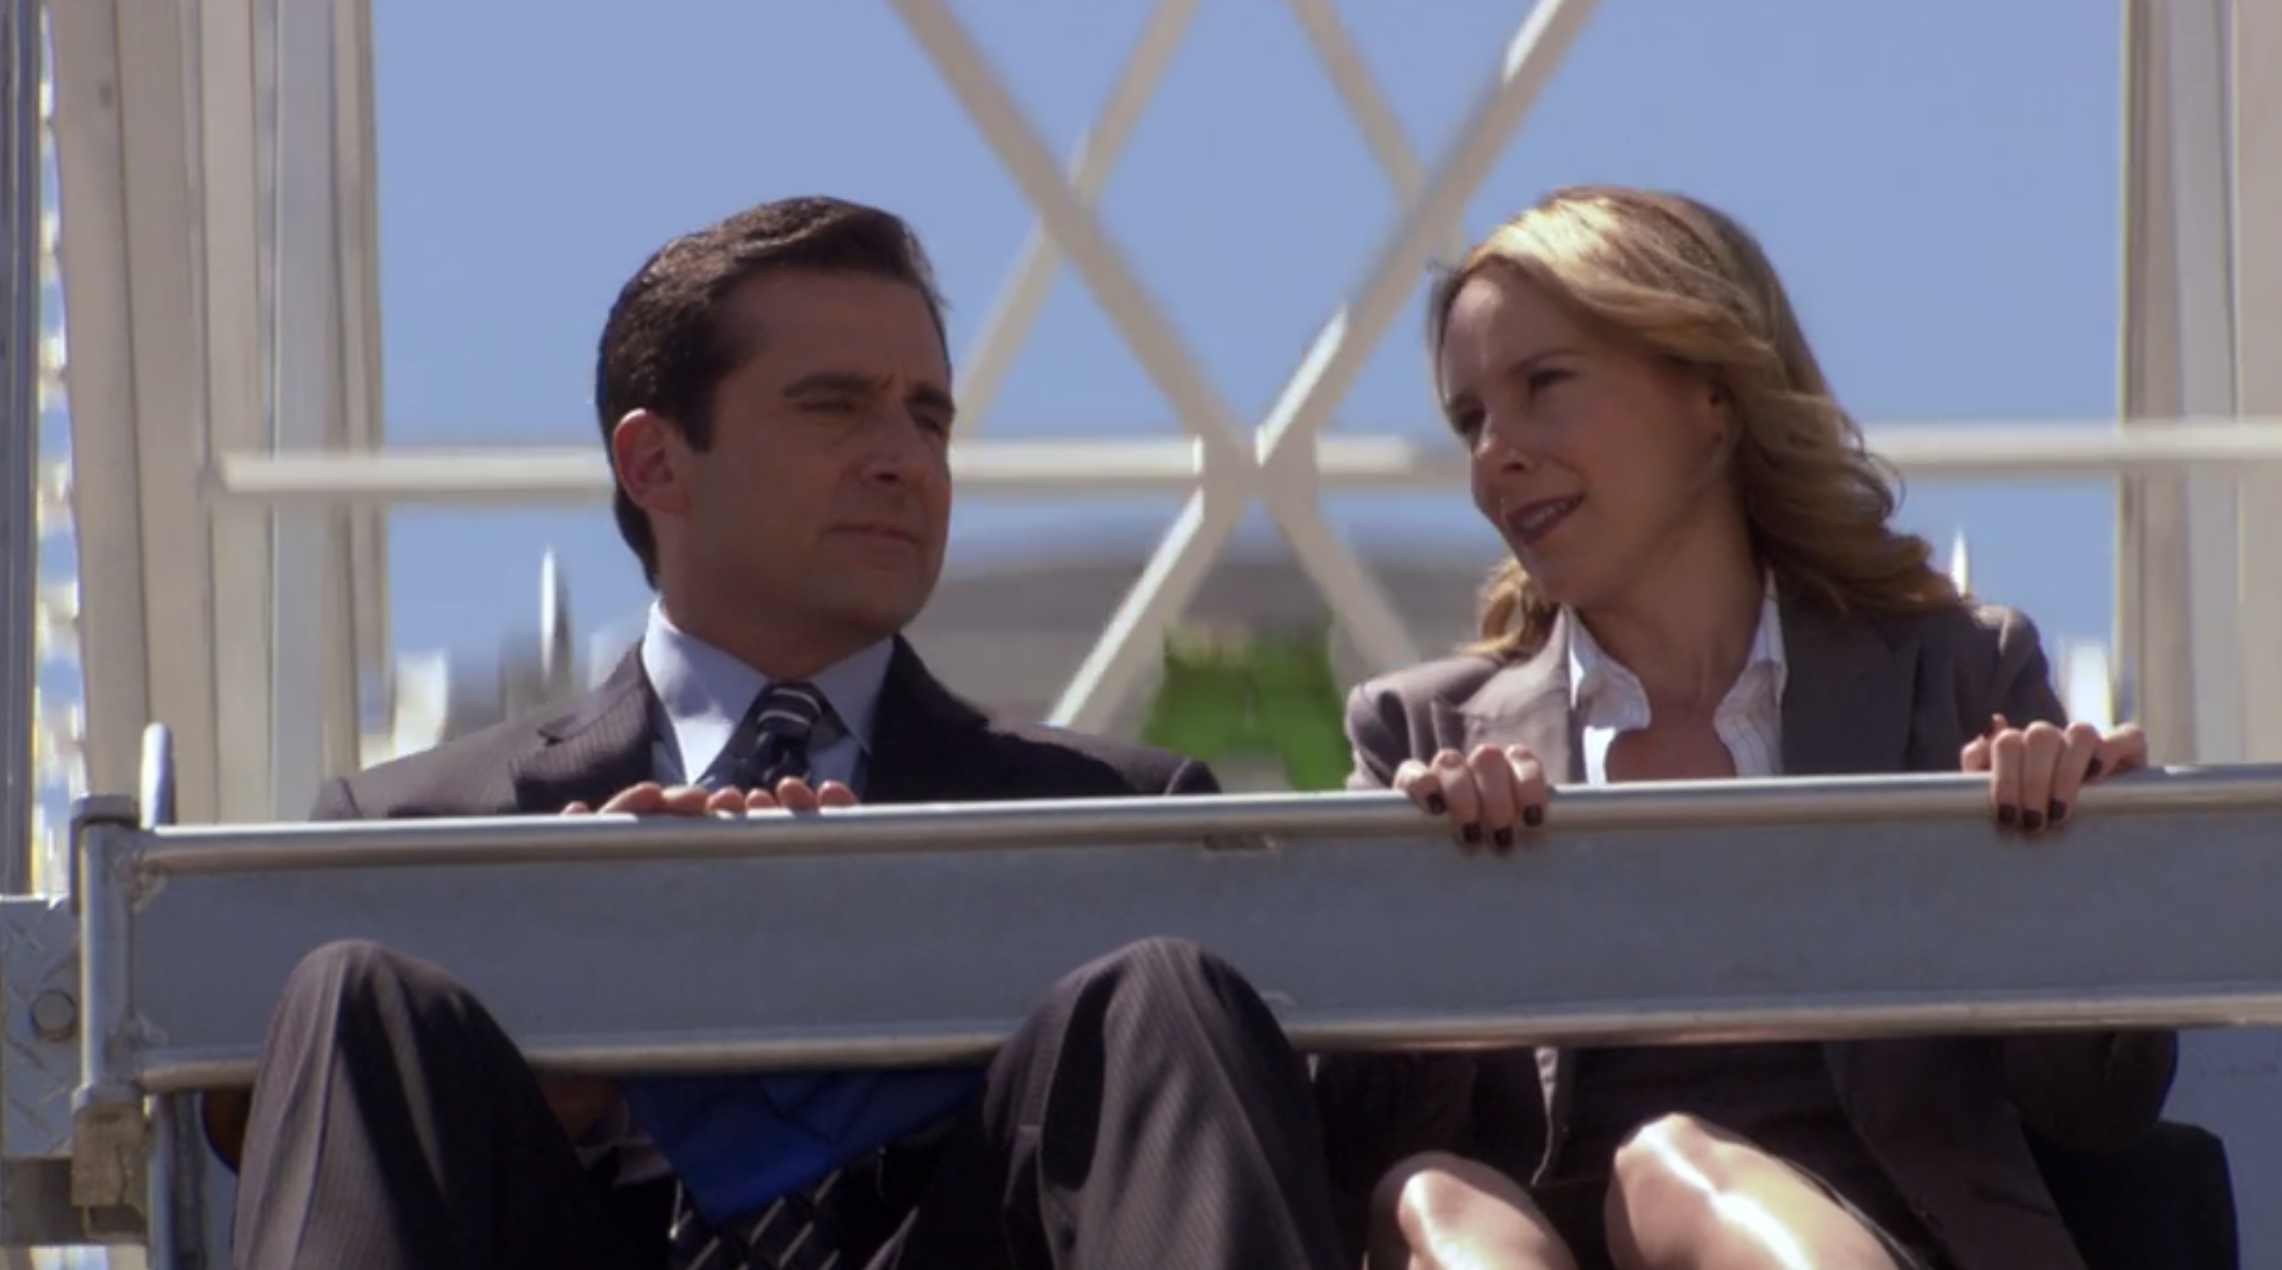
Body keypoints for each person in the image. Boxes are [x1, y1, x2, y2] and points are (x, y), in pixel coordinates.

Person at [205, 196, 1350, 1270]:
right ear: (656, 462)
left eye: (927, 414)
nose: (902, 455)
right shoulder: (408, 829)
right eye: (834, 404)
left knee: (1155, 987)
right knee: (357, 990)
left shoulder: (1125, 819)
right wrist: (554, 1025)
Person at [1318, 187, 2177, 1270]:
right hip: (1540, 1242)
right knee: (1429, 1199)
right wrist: (1434, 929)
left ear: (1709, 394)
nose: (1495, 456)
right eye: (1469, 420)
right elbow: (1336, 1147)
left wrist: (2061, 871)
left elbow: (2102, 1104)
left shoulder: (1953, 676)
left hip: (1887, 1239)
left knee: (1672, 1171)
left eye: (1542, 387)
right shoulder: (1413, 736)